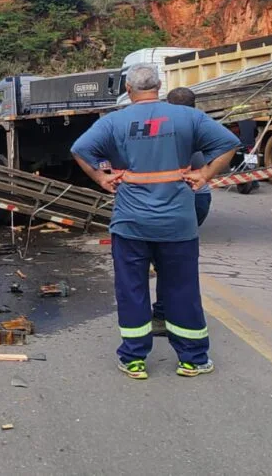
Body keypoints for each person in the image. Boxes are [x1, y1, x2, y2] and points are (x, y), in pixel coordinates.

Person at [71, 63, 240, 380]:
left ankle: (134, 358)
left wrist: (100, 177)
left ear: (128, 90)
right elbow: (229, 143)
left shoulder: (115, 121)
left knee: (131, 288)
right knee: (182, 289)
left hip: (131, 223)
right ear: (159, 88)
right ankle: (192, 359)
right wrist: (204, 174)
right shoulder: (187, 117)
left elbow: (80, 149)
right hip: (177, 222)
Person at [150, 86, 212, 336]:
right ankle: (173, 312)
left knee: (165, 260)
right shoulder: (200, 124)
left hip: (173, 200)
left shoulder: (167, 127)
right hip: (200, 199)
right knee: (176, 259)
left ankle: (164, 314)